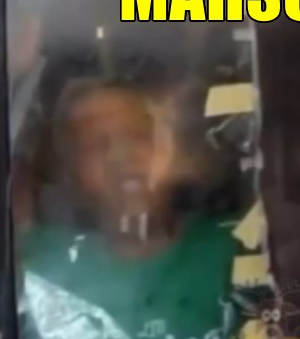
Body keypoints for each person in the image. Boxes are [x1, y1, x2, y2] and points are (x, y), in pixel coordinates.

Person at [18, 76, 239, 339]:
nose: (122, 157)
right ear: (72, 173)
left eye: (138, 136)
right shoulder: (45, 277)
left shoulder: (235, 248)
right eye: (97, 145)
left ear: (173, 149)